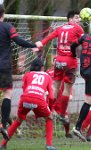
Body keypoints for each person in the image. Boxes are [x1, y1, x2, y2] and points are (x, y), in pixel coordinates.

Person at [35, 10, 84, 123]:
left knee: (55, 87)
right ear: (70, 19)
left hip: (59, 60)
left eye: (79, 18)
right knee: (67, 89)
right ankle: (62, 113)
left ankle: (49, 109)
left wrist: (40, 44)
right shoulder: (78, 28)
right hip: (70, 61)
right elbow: (85, 41)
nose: (79, 20)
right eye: (77, 18)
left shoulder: (60, 28)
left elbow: (49, 37)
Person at [0, 58, 56, 150]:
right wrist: (50, 109)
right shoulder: (47, 76)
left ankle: (3, 144)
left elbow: (25, 89)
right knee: (49, 118)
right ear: (42, 67)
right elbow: (51, 97)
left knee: (19, 120)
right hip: (38, 100)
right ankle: (49, 145)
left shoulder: (27, 75)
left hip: (25, 99)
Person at [0, 4, 38, 139]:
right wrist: (34, 45)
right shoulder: (7, 27)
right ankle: (3, 125)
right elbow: (18, 40)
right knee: (7, 94)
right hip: (4, 66)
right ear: (3, 14)